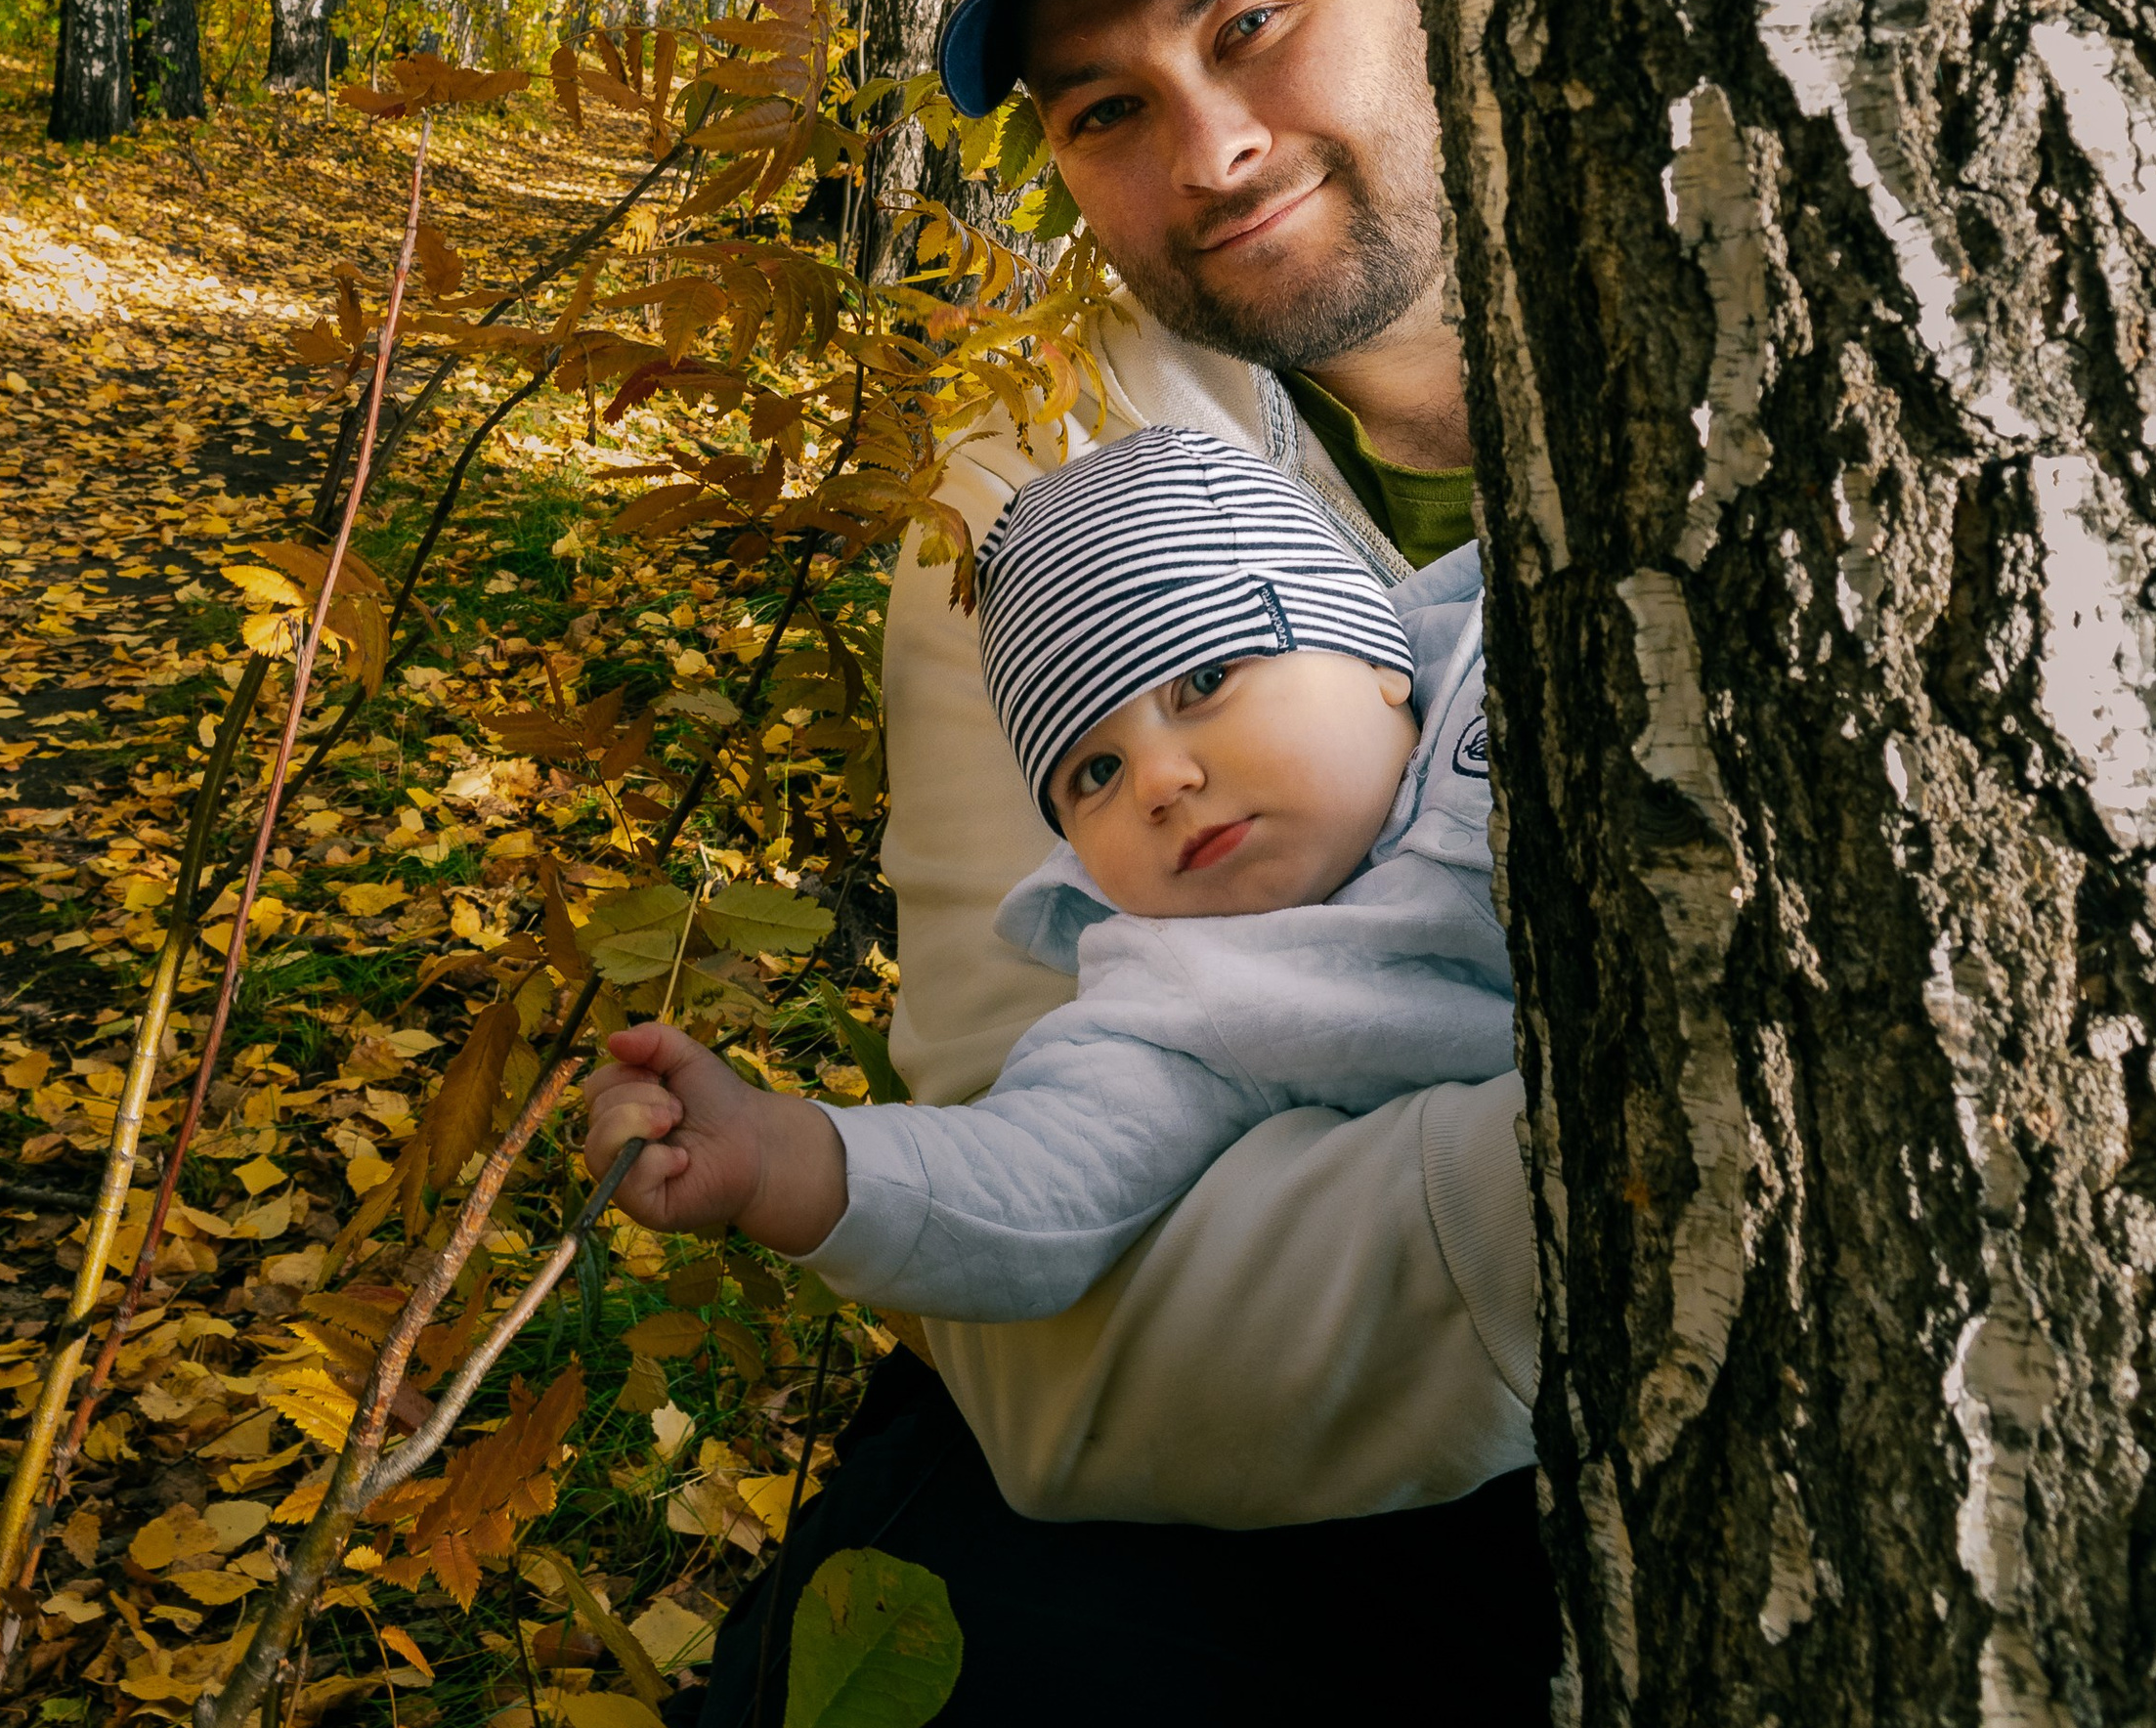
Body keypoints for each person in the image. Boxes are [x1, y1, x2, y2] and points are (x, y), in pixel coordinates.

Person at [677, 0, 1549, 1728]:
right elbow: (1056, 1356)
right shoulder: (1021, 500)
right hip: (1261, 1465)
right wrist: (1576, 1205)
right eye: (1107, 111)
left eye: (1252, 26)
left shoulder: (1767, 322)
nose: (1213, 150)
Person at [586, 429, 1511, 1320]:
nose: (1157, 782)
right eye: (1093, 773)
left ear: (1376, 656)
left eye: (1205, 682)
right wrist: (773, 1157)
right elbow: (1039, 1179)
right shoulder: (1184, 997)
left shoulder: (1523, 659)